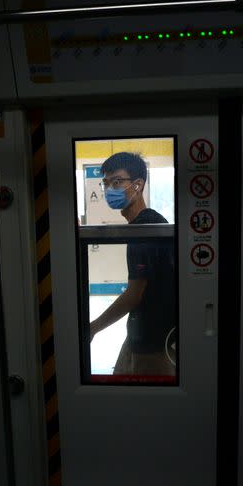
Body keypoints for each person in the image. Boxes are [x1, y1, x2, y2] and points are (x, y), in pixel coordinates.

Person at [89, 152, 176, 376]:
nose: (109, 189)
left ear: (138, 185)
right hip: (140, 335)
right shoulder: (144, 223)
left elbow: (134, 294)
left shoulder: (146, 226)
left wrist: (93, 328)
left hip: (153, 344)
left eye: (117, 181)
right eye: (106, 183)